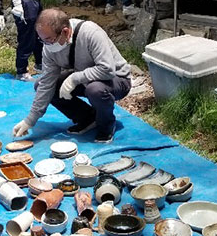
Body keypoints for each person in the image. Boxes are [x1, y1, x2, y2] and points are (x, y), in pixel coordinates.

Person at [12, 9, 132, 143]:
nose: (46, 45)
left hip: (116, 79)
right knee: (40, 85)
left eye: (49, 40)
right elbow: (46, 84)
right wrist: (30, 120)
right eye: (42, 40)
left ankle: (106, 125)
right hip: (85, 77)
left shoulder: (91, 33)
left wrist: (75, 78)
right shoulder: (49, 48)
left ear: (65, 32)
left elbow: (107, 69)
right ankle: (88, 118)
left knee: (95, 90)